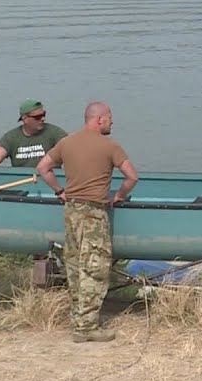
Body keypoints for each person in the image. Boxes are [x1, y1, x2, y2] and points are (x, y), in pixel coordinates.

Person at [35, 102, 139, 343]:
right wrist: (119, 195)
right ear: (99, 119)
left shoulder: (66, 142)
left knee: (74, 264)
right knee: (95, 268)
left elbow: (43, 167)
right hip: (94, 213)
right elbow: (132, 177)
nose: (112, 122)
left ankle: (78, 319)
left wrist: (60, 191)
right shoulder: (110, 146)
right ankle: (86, 327)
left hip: (71, 210)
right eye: (110, 117)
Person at [0, 99, 68, 181]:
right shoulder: (12, 137)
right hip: (22, 181)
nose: (43, 119)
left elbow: (72, 149)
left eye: (43, 115)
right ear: (25, 119)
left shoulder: (55, 133)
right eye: (37, 117)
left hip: (51, 181)